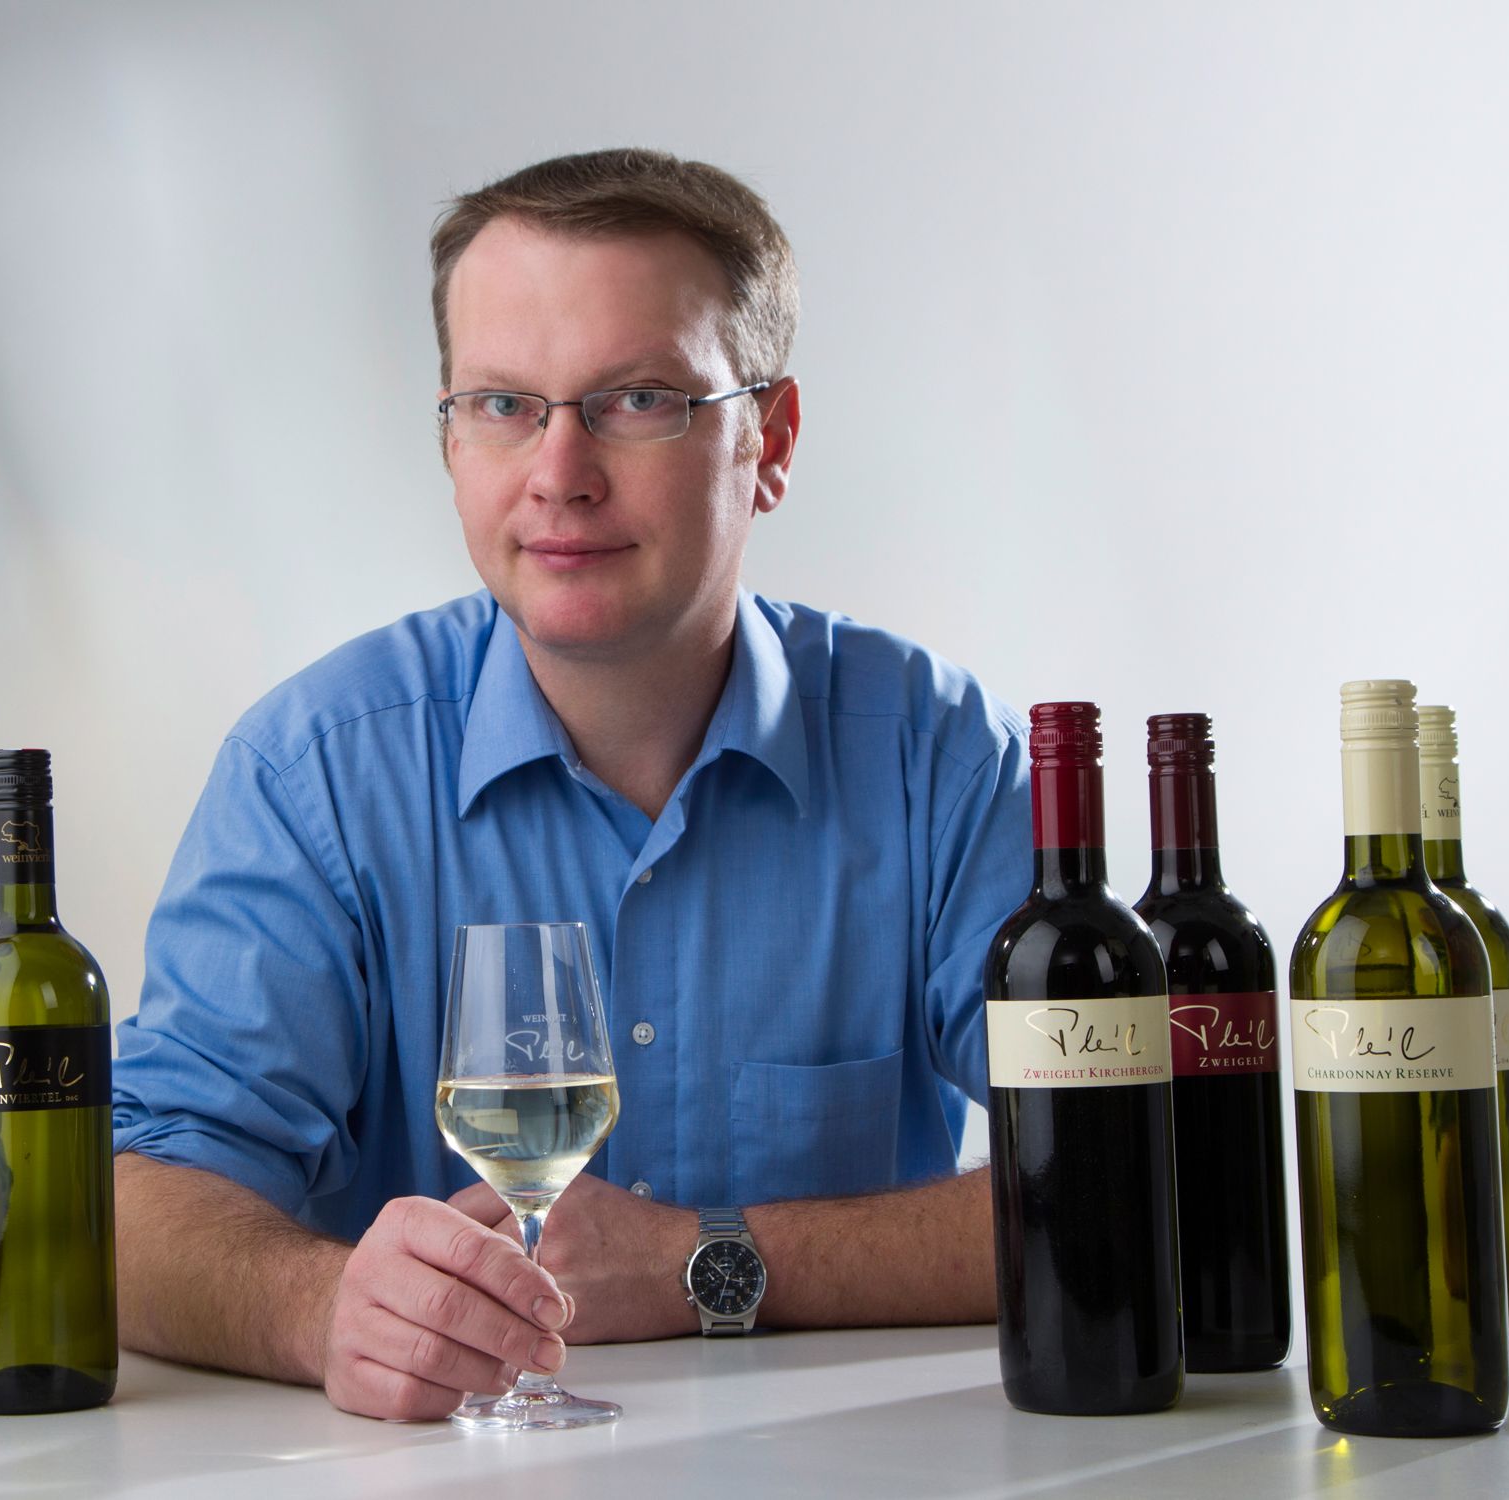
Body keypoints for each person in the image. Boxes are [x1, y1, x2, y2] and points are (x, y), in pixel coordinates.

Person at [111, 147, 1031, 1421]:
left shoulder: (938, 760)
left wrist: (710, 1261)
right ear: (449, 439)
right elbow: (129, 1205)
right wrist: (320, 1309)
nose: (558, 472)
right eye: (502, 404)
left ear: (766, 441)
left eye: (636, 399)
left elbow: (1138, 1174)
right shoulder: (312, 773)